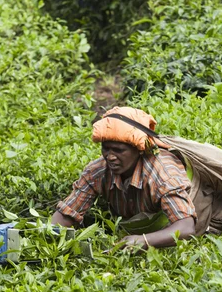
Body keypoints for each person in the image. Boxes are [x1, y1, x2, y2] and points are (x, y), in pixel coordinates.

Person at [51, 106, 197, 250]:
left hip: (198, 217)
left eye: (119, 150)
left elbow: (185, 228)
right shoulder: (98, 170)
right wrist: (49, 233)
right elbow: (67, 214)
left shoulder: (162, 174)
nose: (110, 157)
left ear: (139, 150)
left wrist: (144, 240)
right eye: (106, 149)